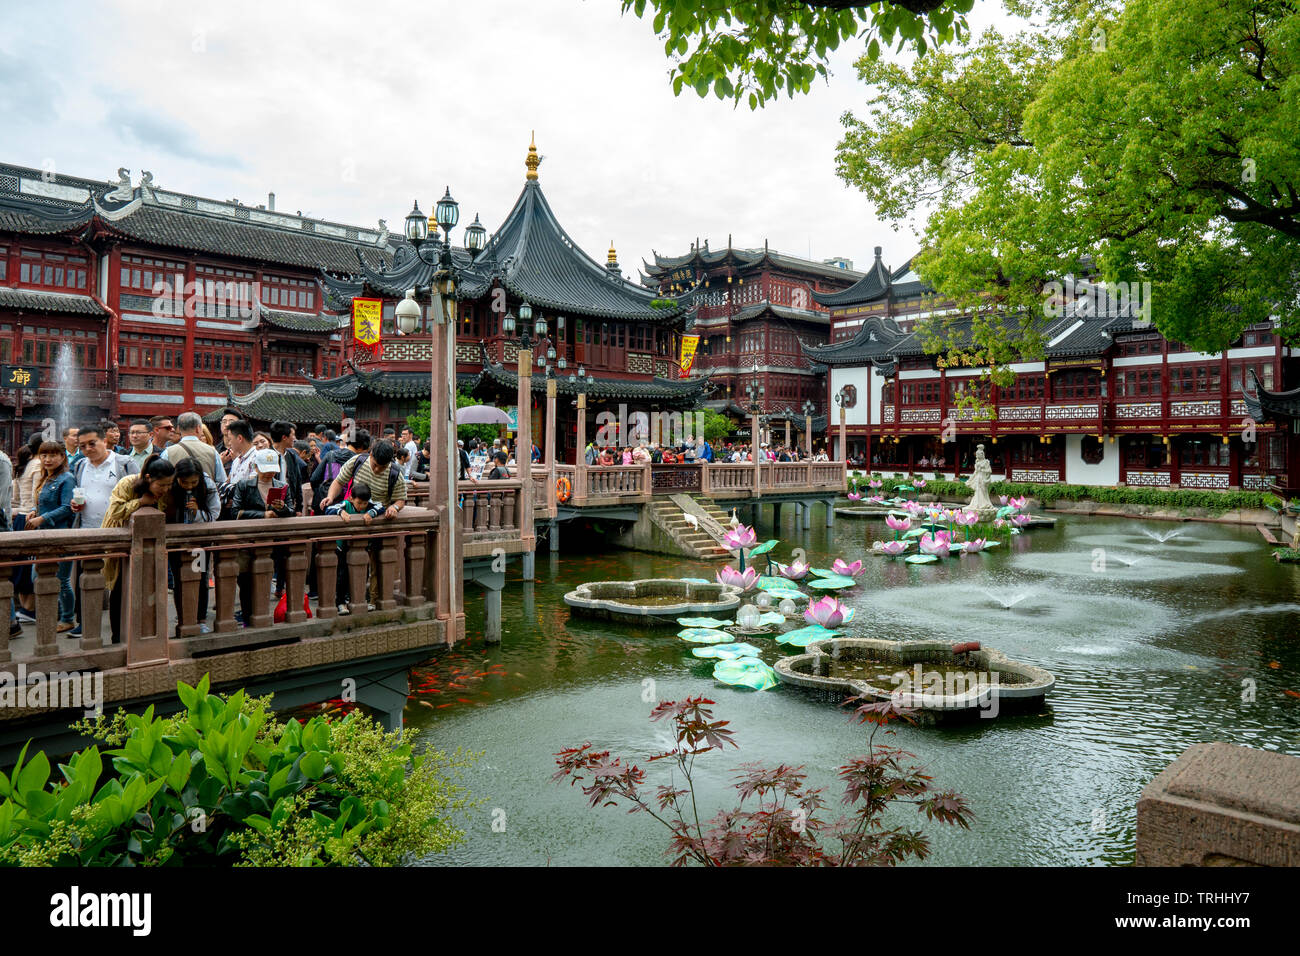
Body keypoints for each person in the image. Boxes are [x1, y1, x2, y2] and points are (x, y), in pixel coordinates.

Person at [318, 440, 407, 608]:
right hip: (354, 525)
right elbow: (339, 481)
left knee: (375, 566)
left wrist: (394, 507)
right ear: (371, 454)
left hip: (377, 524)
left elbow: (400, 498)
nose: (377, 469)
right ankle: (349, 599)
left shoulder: (395, 473)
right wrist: (331, 497)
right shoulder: (358, 461)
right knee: (347, 565)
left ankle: (372, 600)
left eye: (382, 467)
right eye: (375, 465)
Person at [100, 454, 176, 644]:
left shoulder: (164, 493)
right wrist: (141, 502)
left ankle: (144, 635)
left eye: (169, 485)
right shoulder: (128, 483)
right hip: (121, 545)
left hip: (148, 548)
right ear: (148, 478)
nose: (165, 489)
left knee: (145, 590)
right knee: (119, 590)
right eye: (162, 485)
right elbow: (115, 511)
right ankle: (118, 637)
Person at [228, 448, 294, 618]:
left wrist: (283, 509)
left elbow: (291, 513)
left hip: (273, 541)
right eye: (265, 470)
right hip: (248, 540)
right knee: (245, 579)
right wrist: (262, 515)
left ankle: (262, 613)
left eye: (272, 470)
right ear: (256, 467)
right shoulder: (244, 485)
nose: (268, 474)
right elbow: (235, 512)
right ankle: (247, 611)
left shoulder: (282, 486)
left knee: (265, 578)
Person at [165, 457, 221, 635]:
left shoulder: (207, 485)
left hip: (199, 542)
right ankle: (184, 616)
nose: (189, 486)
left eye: (193, 482)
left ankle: (201, 617)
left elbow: (214, 513)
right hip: (176, 542)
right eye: (184, 482)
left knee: (201, 577)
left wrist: (198, 512)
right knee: (178, 579)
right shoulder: (169, 485)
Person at [26, 441, 78, 632]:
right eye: (44, 455)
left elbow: (67, 508)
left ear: (62, 457)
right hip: (43, 535)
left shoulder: (67, 478)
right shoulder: (45, 477)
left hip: (60, 534)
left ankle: (67, 618)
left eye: (52, 455)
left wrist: (42, 518)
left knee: (62, 579)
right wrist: (33, 510)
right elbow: (42, 501)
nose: (47, 459)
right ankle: (55, 613)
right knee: (37, 577)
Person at [325, 484, 380, 614]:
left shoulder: (369, 506)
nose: (361, 506)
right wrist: (341, 512)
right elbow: (329, 509)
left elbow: (380, 506)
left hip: (362, 546)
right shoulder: (346, 504)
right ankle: (340, 602)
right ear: (351, 498)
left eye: (364, 503)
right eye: (359, 503)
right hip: (343, 547)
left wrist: (371, 513)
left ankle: (357, 599)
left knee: (363, 573)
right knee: (342, 575)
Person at [164, 411, 225, 485]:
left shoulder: (168, 452)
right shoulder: (212, 451)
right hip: (205, 495)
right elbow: (221, 481)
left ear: (179, 428)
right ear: (198, 428)